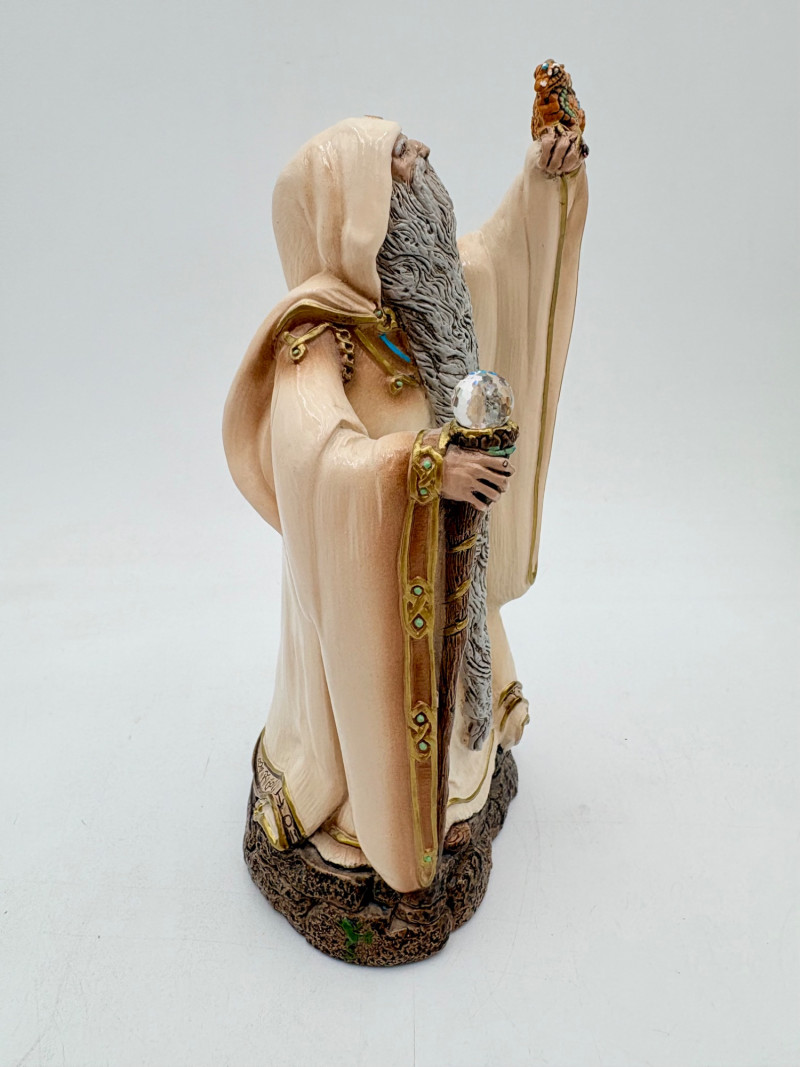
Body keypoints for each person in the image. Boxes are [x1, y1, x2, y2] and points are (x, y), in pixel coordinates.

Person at [223, 109, 588, 893]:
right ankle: (374, 813)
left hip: (452, 560)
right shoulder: (317, 341)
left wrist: (544, 180)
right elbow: (319, 460)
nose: (421, 150)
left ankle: (466, 774)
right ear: (353, 206)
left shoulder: (428, 293)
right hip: (375, 598)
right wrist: (424, 470)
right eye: (396, 152)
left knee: (455, 699)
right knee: (385, 713)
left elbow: (502, 259)